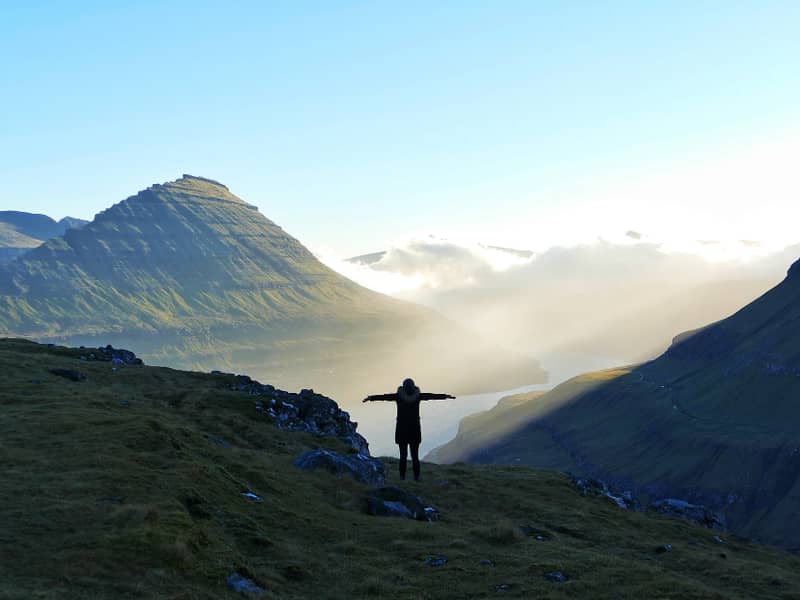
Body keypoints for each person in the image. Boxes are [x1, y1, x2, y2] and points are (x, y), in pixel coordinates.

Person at [363, 378, 455, 481]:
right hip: (415, 430)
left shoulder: (398, 396)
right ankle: (417, 477)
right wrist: (445, 396)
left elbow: (385, 397)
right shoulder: (418, 396)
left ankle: (402, 477)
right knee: (415, 456)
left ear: (403, 387)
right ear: (413, 386)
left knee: (403, 456)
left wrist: (371, 398)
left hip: (401, 430)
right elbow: (431, 396)